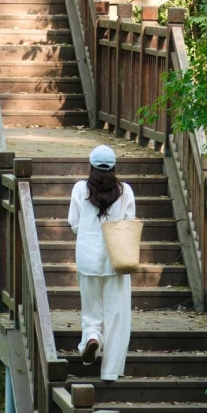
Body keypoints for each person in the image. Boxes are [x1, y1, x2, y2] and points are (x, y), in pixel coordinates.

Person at [67, 144, 136, 381]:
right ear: (114, 167)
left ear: (91, 166)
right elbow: (129, 222)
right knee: (116, 316)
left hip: (87, 258)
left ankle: (92, 337)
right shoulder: (125, 191)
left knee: (91, 309)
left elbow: (74, 223)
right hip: (116, 258)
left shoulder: (80, 189)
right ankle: (110, 371)